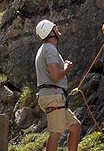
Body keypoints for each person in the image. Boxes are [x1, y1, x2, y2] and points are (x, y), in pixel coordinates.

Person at [34, 19, 80, 151]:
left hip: (51, 96)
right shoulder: (50, 49)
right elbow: (54, 76)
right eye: (55, 27)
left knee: (75, 126)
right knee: (56, 132)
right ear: (50, 32)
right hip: (53, 96)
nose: (57, 29)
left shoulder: (45, 49)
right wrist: (66, 68)